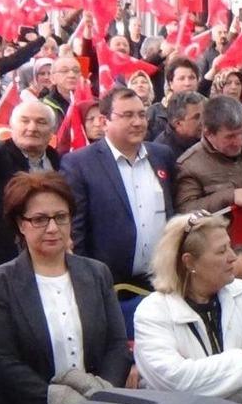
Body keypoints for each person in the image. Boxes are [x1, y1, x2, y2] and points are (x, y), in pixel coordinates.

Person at [0, 172, 130, 404]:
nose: (52, 228)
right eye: (39, 219)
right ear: (20, 224)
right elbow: (0, 363)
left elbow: (116, 346)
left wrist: (102, 398)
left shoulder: (97, 273)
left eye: (61, 217)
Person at [133, 212, 242, 404]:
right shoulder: (153, 312)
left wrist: (209, 390)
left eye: (230, 246)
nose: (233, 257)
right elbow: (176, 384)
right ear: (189, 262)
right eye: (222, 251)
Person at [60, 87, 175, 285]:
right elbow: (75, 230)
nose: (138, 122)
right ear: (105, 122)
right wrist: (86, 280)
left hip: (161, 280)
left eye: (141, 115)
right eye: (127, 115)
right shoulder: (79, 164)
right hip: (109, 284)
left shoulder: (162, 155)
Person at [0, 97, 60, 285]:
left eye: (41, 122)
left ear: (51, 132)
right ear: (12, 126)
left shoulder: (60, 163)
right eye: (25, 121)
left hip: (44, 264)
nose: (32, 128)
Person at [153, 90, 205, 164]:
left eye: (204, 114)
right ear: (178, 123)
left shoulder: (207, 139)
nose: (203, 121)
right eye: (196, 118)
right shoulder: (160, 153)